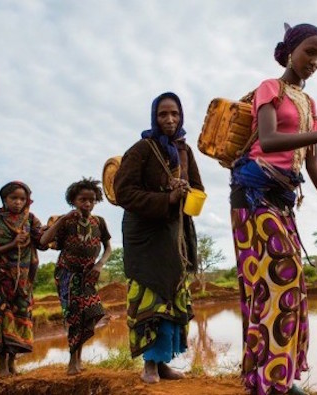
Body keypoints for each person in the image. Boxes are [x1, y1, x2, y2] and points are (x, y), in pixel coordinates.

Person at [230, 23, 317, 395]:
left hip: (283, 200)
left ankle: (275, 376)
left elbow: (312, 164)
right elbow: (271, 138)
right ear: (291, 51)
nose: (315, 61)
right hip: (252, 194)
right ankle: (269, 380)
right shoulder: (269, 88)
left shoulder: (309, 103)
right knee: (280, 277)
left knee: (291, 286)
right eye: (310, 51)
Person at [114, 92, 203, 384]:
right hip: (145, 235)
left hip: (174, 233)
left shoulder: (185, 151)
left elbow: (198, 187)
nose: (169, 119)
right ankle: (149, 366)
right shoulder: (141, 150)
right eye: (163, 114)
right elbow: (124, 192)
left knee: (173, 297)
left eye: (175, 114)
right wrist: (166, 197)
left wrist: (186, 192)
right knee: (150, 298)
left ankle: (163, 363)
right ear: (154, 116)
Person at [40, 178, 111, 375]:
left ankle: (78, 358)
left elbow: (108, 248)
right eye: (82, 200)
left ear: (96, 200)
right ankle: (73, 362)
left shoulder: (99, 222)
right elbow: (44, 241)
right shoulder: (67, 221)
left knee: (92, 313)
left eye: (91, 200)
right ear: (73, 200)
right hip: (67, 274)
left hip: (88, 276)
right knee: (73, 317)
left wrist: (99, 265)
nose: (87, 204)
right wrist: (61, 220)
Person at [0, 181, 47, 378]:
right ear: (4, 199)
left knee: (19, 319)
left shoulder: (31, 219)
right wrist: (12, 244)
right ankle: (2, 366)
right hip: (0, 279)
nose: (18, 202)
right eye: (14, 198)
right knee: (1, 320)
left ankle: (13, 363)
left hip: (23, 281)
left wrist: (53, 227)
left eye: (22, 199)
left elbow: (41, 244)